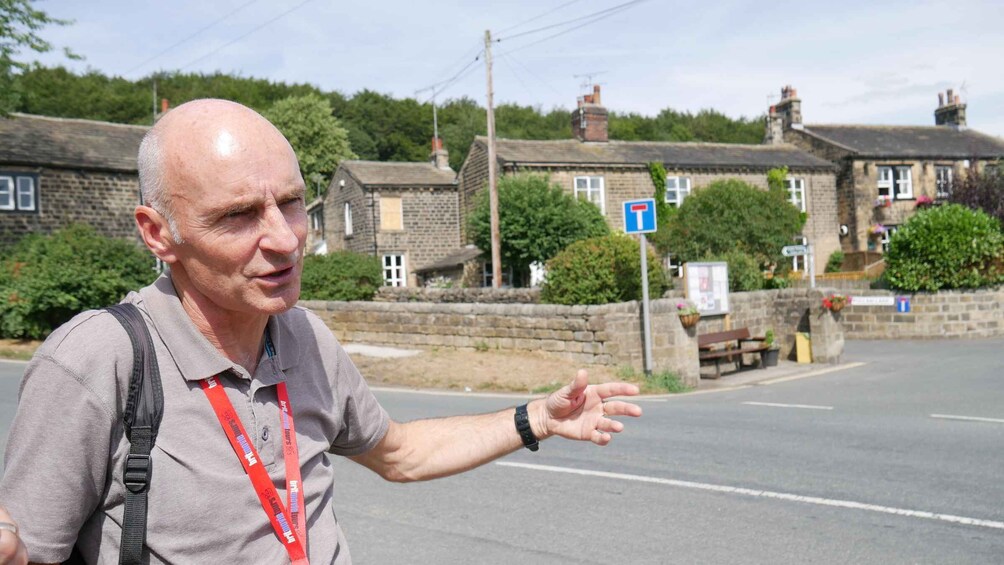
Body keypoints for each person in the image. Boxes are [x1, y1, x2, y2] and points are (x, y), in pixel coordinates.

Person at [0, 99, 641, 565]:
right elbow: (30, 551)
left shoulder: (302, 333)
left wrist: (537, 418)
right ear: (157, 233)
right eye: (238, 216)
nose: (283, 239)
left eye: (289, 203)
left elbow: (399, 453)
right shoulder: (97, 358)